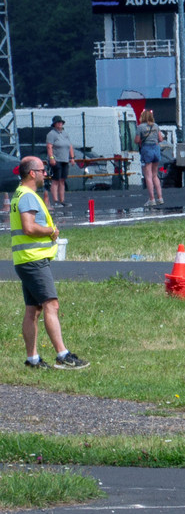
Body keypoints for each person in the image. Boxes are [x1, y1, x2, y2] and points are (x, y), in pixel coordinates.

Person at [11, 157, 86, 369]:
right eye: (42, 170)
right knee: (51, 304)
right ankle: (63, 355)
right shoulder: (28, 196)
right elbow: (29, 227)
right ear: (32, 173)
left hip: (26, 259)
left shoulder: (20, 194)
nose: (45, 174)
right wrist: (51, 231)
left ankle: (32, 359)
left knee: (33, 309)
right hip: (33, 260)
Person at [43, 116, 74, 209]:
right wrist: (51, 158)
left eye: (61, 122)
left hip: (65, 160)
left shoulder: (65, 134)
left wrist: (72, 157)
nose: (60, 124)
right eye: (58, 122)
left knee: (62, 180)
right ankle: (55, 200)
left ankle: (62, 200)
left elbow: (70, 146)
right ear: (54, 124)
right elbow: (49, 147)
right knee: (56, 180)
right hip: (57, 160)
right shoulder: (51, 134)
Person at [135, 108, 164, 207]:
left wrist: (141, 140)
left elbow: (136, 140)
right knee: (155, 175)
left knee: (148, 176)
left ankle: (152, 199)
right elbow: (160, 139)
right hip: (156, 149)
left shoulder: (140, 127)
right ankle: (160, 198)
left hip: (146, 149)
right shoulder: (156, 126)